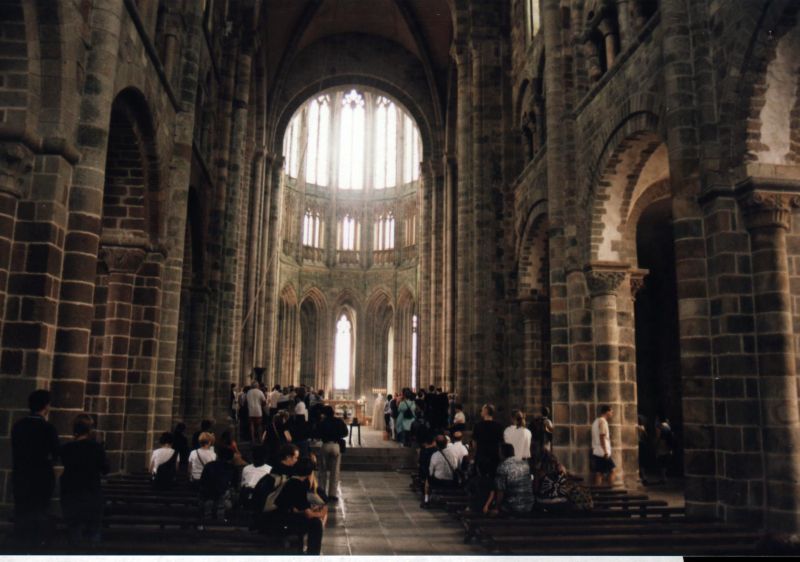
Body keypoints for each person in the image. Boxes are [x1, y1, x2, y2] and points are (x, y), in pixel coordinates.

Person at [11, 389, 60, 547]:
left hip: (21, 475)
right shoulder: (48, 428)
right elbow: (56, 453)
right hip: (41, 477)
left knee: (22, 513)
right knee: (38, 514)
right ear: (46, 407)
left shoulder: (18, 426)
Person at [59, 413, 109, 545]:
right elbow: (105, 469)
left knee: (74, 532)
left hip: (71, 494)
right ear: (90, 429)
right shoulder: (97, 448)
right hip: (91, 493)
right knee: (93, 532)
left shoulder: (67, 448)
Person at [274, 458, 327, 555]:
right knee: (316, 523)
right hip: (284, 522)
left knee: (314, 521)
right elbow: (309, 515)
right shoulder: (299, 486)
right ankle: (313, 554)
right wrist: (321, 513)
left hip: (282, 517)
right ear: (310, 473)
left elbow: (297, 508)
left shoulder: (292, 481)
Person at [484, 443, 534, 515]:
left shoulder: (503, 466)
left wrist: (496, 508)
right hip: (529, 505)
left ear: (502, 453)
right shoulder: (525, 464)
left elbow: (500, 491)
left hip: (512, 506)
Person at [198, 446, 236, 530]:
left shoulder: (209, 466)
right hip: (223, 497)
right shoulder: (232, 468)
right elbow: (234, 486)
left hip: (207, 496)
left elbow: (202, 482)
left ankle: (206, 523)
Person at [316, 406, 348, 500]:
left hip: (325, 445)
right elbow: (345, 432)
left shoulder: (322, 422)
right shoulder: (339, 421)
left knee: (322, 470)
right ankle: (332, 494)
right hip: (336, 445)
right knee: (335, 471)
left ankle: (321, 492)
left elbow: (317, 434)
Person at [472, 403, 505, 477]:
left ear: (486, 411)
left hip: (481, 455)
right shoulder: (498, 426)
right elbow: (501, 442)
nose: (481, 412)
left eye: (482, 410)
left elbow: (474, 443)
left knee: (481, 478)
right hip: (494, 456)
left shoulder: (478, 425)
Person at [591, 405, 616, 486]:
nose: (612, 413)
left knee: (599, 473)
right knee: (612, 471)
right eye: (611, 411)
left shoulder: (595, 421)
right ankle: (610, 491)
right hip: (603, 452)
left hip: (596, 451)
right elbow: (602, 436)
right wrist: (605, 451)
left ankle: (598, 492)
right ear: (607, 412)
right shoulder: (603, 421)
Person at [418, 430, 438, 508]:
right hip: (432, 473)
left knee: (426, 482)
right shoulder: (435, 451)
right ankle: (426, 499)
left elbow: (420, 462)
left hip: (426, 472)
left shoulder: (424, 451)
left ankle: (426, 499)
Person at [654, 416, 674, 484]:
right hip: (668, 444)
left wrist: (655, 445)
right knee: (665, 460)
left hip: (662, 444)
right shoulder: (668, 425)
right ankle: (665, 477)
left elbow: (658, 436)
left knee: (661, 460)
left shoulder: (659, 426)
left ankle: (663, 477)